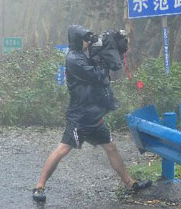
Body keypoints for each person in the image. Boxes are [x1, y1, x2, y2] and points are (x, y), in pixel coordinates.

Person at [32, 25, 151, 202]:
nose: (88, 42)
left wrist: (110, 46)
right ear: (77, 40)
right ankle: (39, 186)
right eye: (85, 39)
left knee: (111, 147)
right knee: (63, 149)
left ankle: (130, 183)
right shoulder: (74, 59)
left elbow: (98, 64)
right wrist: (106, 62)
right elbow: (96, 76)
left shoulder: (82, 55)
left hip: (93, 115)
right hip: (79, 116)